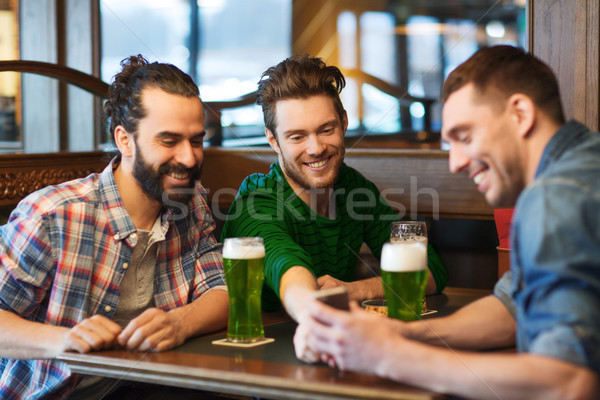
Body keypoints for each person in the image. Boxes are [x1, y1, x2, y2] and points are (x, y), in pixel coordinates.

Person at [298, 45, 600, 399]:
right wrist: (400, 334)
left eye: (465, 137)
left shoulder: (555, 196)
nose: (455, 163)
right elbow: (514, 306)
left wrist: (386, 356)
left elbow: (568, 381)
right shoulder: (583, 164)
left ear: (519, 114)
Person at [0, 55, 229, 399]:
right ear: (124, 140)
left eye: (196, 141)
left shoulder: (190, 201)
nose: (189, 158)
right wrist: (64, 339)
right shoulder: (53, 215)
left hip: (154, 386)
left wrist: (180, 322)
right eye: (169, 141)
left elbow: (221, 291)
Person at [221, 54, 447, 324]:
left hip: (330, 337)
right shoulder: (256, 200)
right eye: (297, 136)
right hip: (254, 346)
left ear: (344, 123)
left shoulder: (354, 189)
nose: (316, 148)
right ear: (273, 140)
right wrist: (312, 302)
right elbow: (286, 266)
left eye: (326, 130)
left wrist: (357, 290)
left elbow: (431, 269)